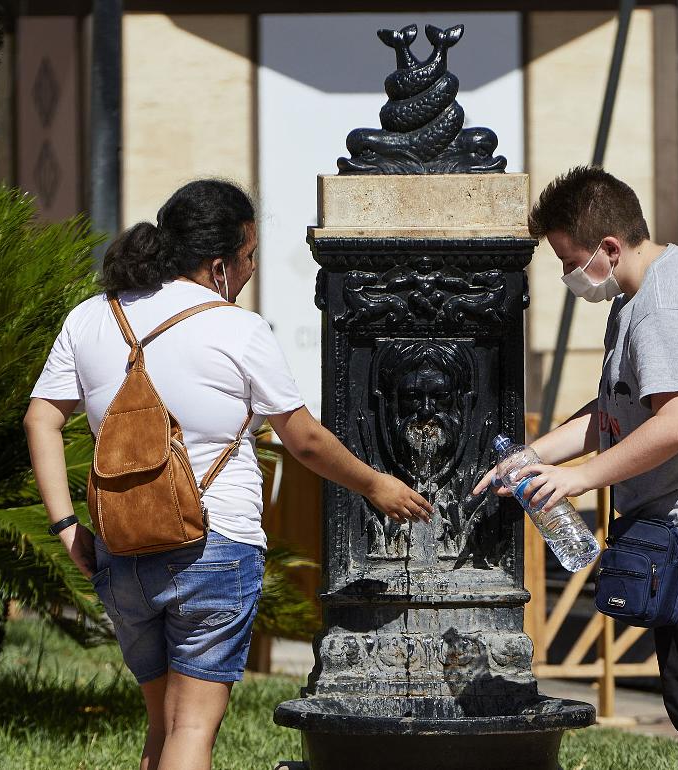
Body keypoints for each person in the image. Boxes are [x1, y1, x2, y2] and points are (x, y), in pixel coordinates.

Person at [24, 179, 431, 770]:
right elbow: (305, 442)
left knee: (160, 729)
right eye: (249, 258)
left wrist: (66, 524)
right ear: (219, 265)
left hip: (121, 544)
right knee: (191, 730)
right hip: (214, 547)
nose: (250, 271)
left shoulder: (93, 316)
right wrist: (376, 485)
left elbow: (41, 419)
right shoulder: (239, 329)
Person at [472, 166, 678, 770]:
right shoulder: (646, 290)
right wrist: (536, 456)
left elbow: (677, 421)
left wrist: (578, 478)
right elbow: (618, 410)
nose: (566, 275)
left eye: (568, 260)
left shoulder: (662, 308)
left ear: (607, 248)